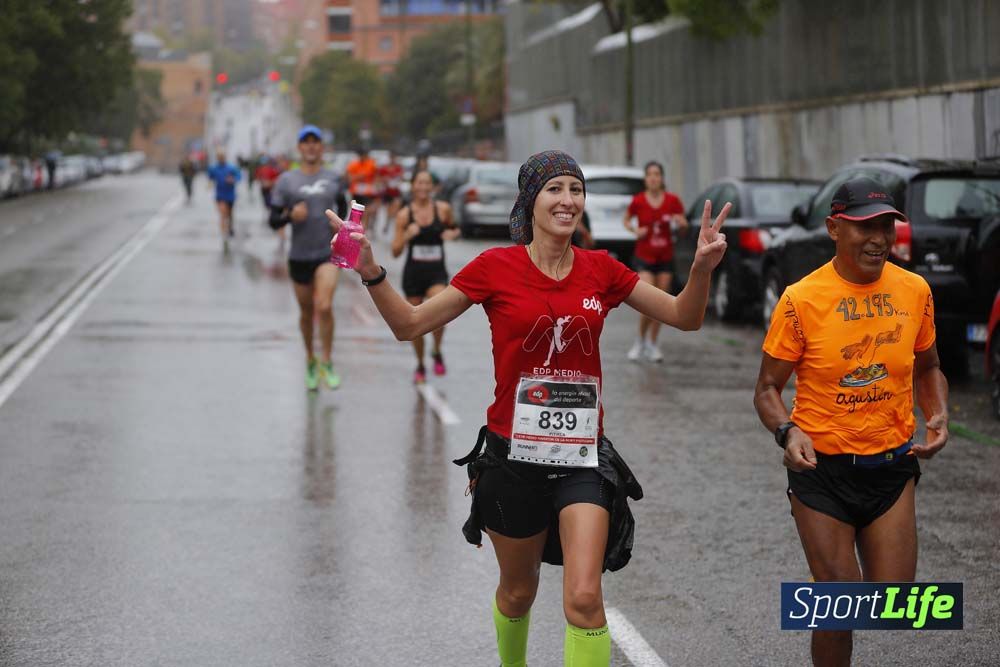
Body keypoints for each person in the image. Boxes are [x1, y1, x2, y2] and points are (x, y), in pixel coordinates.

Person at [327, 150, 730, 666]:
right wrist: (372, 270)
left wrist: (699, 269)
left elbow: (684, 316)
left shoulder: (601, 269)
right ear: (530, 200)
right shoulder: (495, 267)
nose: (568, 200)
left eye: (575, 190)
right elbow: (410, 324)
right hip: (512, 457)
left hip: (582, 458)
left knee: (585, 598)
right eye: (555, 189)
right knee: (519, 593)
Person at [753, 177, 948, 667]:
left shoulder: (914, 290)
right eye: (865, 226)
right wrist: (787, 430)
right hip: (822, 470)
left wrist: (937, 411)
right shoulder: (802, 299)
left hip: (891, 466)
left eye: (887, 225)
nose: (879, 238)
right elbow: (766, 389)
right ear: (834, 227)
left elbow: (929, 366)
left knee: (894, 603)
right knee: (838, 601)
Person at [269, 125, 347, 391]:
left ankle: (327, 360)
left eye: (316, 142)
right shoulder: (286, 181)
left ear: (321, 148)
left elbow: (345, 208)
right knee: (306, 313)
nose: (311, 147)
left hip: (328, 253)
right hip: (299, 255)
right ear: (299, 148)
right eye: (306, 142)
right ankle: (311, 360)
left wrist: (343, 229)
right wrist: (290, 215)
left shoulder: (334, 178)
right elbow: (272, 219)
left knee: (324, 306)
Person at [390, 169, 460, 384]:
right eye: (419, 183)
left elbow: (455, 228)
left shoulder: (443, 210)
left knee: (438, 314)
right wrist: (407, 236)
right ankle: (420, 363)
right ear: (413, 186)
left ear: (432, 187)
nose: (423, 187)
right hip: (413, 274)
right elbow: (395, 251)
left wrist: (452, 234)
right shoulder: (404, 215)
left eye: (427, 183)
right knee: (415, 324)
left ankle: (437, 350)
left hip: (436, 272)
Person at [622, 161, 688, 362]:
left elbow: (684, 229)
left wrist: (681, 223)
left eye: (657, 174)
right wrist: (635, 230)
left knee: (662, 303)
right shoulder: (638, 201)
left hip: (665, 257)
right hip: (644, 256)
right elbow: (626, 220)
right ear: (645, 179)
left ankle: (652, 343)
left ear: (662, 178)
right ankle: (640, 340)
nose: (653, 178)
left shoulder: (673, 201)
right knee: (648, 302)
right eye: (650, 174)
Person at [206, 151, 242, 246]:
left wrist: (233, 180)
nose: (221, 158)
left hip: (230, 194)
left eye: (222, 157)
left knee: (229, 214)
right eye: (219, 157)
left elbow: (239, 176)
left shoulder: (231, 168)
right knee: (223, 213)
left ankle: (230, 227)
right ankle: (224, 233)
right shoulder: (214, 168)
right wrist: (209, 183)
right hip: (220, 195)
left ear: (225, 157)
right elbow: (210, 177)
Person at [345, 146, 379, 231]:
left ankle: (364, 230)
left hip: (368, 193)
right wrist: (360, 176)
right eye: (361, 155)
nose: (363, 157)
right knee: (356, 214)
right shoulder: (353, 164)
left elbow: (376, 177)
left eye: (365, 155)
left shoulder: (371, 164)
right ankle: (355, 229)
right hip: (356, 193)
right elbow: (349, 178)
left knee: (366, 212)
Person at [255, 156, 284, 240]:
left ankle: (272, 219)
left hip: (270, 190)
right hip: (264, 190)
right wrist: (262, 182)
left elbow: (276, 179)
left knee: (270, 204)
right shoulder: (260, 169)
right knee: (266, 204)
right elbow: (258, 177)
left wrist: (270, 183)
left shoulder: (272, 170)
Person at [378, 149, 405, 235]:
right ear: (389, 158)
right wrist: (384, 180)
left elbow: (401, 178)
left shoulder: (398, 168)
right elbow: (379, 179)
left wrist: (399, 179)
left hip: (396, 192)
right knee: (388, 211)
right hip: (387, 193)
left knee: (396, 207)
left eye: (394, 157)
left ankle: (394, 224)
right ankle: (387, 223)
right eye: (392, 157)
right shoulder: (384, 168)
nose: (393, 159)